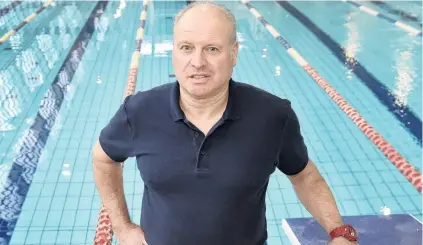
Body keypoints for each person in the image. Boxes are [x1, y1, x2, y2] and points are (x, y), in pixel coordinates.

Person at [92, 2, 358, 245]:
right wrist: (123, 227)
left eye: (212, 49)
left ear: (234, 53)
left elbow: (304, 175)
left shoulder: (273, 116)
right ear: (174, 51)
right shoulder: (139, 111)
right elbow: (103, 158)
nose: (197, 62)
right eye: (187, 47)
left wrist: (338, 231)